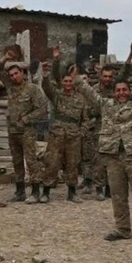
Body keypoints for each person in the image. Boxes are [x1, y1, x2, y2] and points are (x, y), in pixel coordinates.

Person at [70, 56, 132, 245]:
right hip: (113, 158)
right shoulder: (106, 106)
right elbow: (90, 94)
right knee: (118, 195)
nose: (121, 93)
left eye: (124, 90)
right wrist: (76, 80)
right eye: (118, 90)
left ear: (130, 91)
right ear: (114, 93)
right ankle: (123, 229)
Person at [0, 49, 49, 204]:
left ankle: (35, 191)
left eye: (16, 74)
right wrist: (5, 58)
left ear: (22, 73)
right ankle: (20, 192)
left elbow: (42, 108)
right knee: (17, 161)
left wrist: (26, 119)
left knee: (31, 161)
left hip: (27, 131)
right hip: (13, 131)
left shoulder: (32, 89)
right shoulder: (10, 87)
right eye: (11, 75)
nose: (14, 77)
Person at [39, 46, 86, 204]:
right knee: (51, 163)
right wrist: (47, 71)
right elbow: (47, 87)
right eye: (65, 81)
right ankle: (46, 192)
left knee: (73, 164)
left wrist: (81, 132)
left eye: (70, 81)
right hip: (57, 134)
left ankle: (72, 192)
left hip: (73, 136)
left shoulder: (80, 98)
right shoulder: (57, 95)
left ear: (73, 82)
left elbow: (85, 119)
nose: (67, 83)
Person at [86, 52, 132, 201]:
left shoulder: (116, 89)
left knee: (113, 159)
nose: (107, 79)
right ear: (100, 76)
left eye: (110, 76)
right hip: (99, 128)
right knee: (99, 159)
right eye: (105, 76)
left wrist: (129, 60)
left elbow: (124, 76)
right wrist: (100, 110)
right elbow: (88, 110)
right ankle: (99, 187)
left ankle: (109, 188)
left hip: (115, 128)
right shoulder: (94, 90)